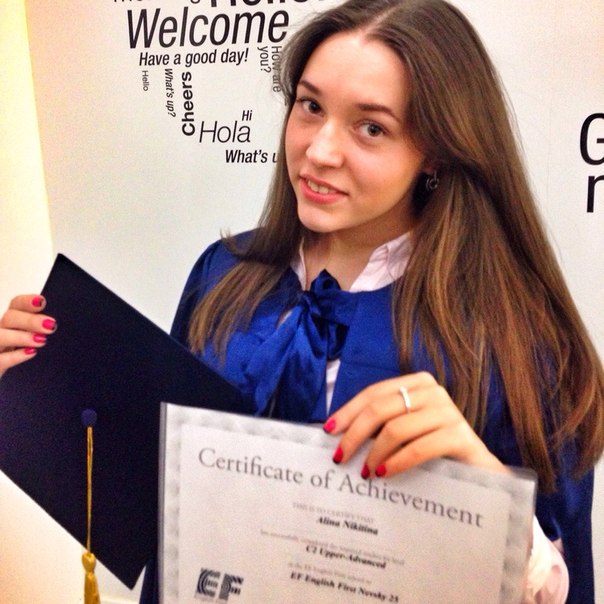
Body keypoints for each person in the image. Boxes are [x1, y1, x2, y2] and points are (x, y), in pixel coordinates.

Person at [1, 0, 603, 602]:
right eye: (311, 106)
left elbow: (563, 581)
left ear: (437, 152)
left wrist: (484, 498)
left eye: (371, 127)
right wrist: (39, 386)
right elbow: (154, 491)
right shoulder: (224, 274)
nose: (319, 151)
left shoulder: (513, 336)